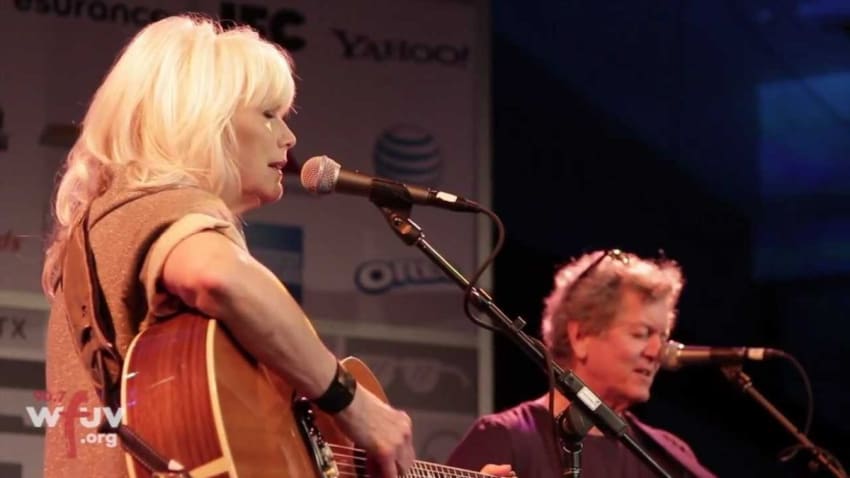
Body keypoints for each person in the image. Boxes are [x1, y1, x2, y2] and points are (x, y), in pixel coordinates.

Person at [40, 14, 418, 478]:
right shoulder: (156, 204)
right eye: (268, 114)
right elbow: (216, 276)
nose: (289, 137)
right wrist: (353, 403)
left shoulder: (113, 220)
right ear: (201, 119)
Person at [447, 249, 717, 478]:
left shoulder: (669, 456)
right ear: (580, 337)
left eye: (662, 337)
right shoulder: (504, 438)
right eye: (641, 334)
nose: (656, 351)